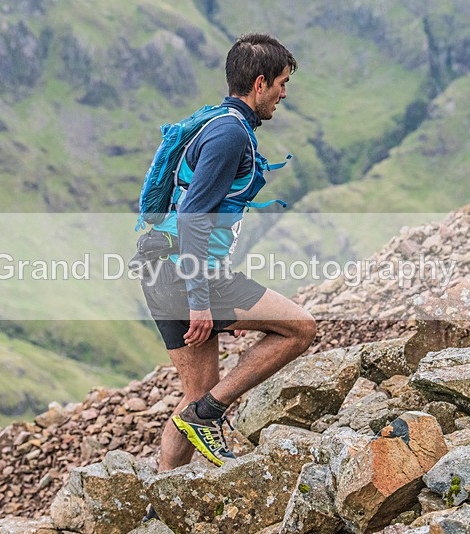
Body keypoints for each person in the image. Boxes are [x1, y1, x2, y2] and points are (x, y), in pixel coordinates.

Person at [139, 33, 316, 522]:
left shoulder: (220, 121)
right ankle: (209, 414)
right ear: (259, 83)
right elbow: (196, 216)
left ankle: (163, 506)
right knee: (300, 327)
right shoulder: (231, 133)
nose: (284, 93)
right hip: (187, 276)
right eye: (281, 83)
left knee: (194, 402)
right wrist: (200, 302)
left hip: (163, 268)